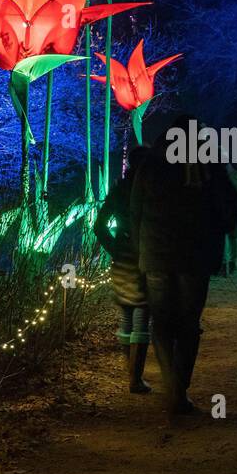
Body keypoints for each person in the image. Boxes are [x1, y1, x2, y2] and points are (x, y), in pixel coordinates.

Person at [129, 115, 237, 415]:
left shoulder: (151, 164)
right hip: (196, 255)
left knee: (162, 323)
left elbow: (135, 211)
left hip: (157, 256)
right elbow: (229, 206)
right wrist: (222, 230)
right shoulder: (209, 166)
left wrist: (141, 251)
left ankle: (172, 385)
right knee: (189, 324)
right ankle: (180, 388)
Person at [93, 146, 152, 394]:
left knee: (126, 316)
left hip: (122, 257)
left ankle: (132, 374)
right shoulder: (151, 190)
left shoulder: (119, 188)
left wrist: (115, 248)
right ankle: (135, 379)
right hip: (145, 258)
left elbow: (99, 226)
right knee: (141, 317)